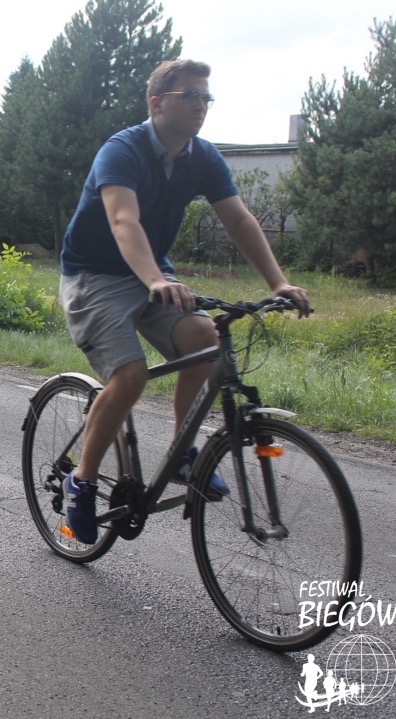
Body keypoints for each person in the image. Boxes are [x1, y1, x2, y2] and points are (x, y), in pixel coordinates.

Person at [58, 59, 311, 544]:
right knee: (130, 375)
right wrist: (156, 278)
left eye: (206, 96)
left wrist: (278, 283)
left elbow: (239, 220)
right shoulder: (123, 149)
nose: (201, 105)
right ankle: (81, 482)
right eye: (190, 95)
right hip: (95, 275)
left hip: (153, 274)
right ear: (157, 103)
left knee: (205, 340)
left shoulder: (203, 157)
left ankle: (182, 452)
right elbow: (123, 221)